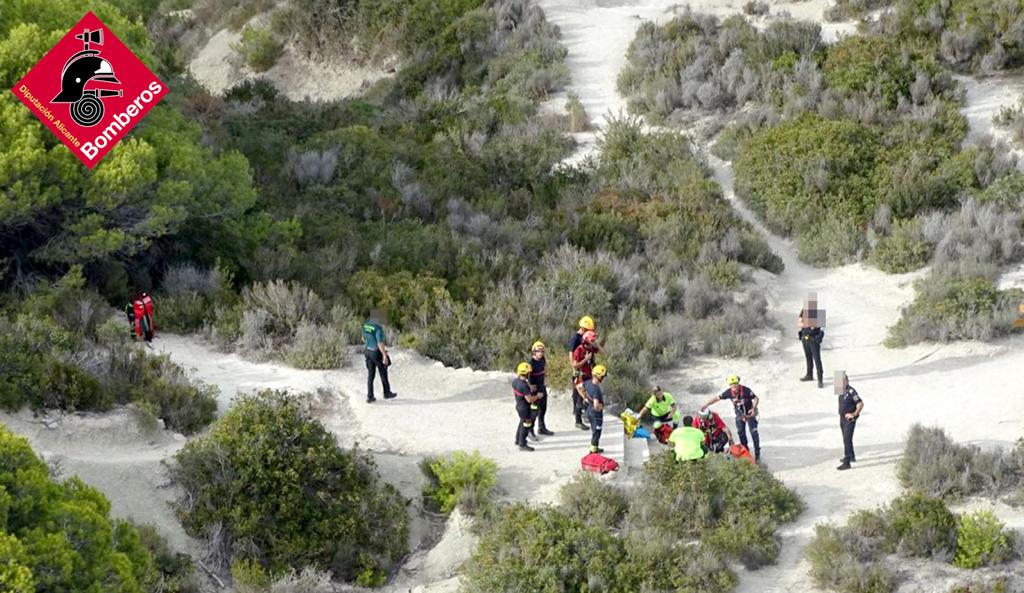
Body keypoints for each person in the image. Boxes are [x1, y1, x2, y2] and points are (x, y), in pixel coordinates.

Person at [701, 375, 761, 463]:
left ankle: (757, 454)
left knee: (754, 433)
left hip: (750, 415)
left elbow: (756, 398)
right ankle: (746, 451)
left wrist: (754, 408)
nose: (734, 387)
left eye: (736, 385)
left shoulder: (746, 390)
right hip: (740, 415)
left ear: (738, 383)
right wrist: (706, 404)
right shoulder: (728, 393)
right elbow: (717, 398)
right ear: (730, 386)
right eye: (732, 385)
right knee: (741, 433)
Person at [567, 316, 597, 430]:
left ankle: (580, 412)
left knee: (582, 393)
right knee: (578, 393)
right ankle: (577, 413)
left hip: (586, 369)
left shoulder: (586, 339)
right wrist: (574, 368)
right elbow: (571, 353)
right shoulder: (576, 338)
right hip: (579, 370)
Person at [362, 309, 397, 403]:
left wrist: (369, 343)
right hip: (376, 352)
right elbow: (380, 343)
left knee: (370, 375)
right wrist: (384, 355)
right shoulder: (378, 328)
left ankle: (370, 397)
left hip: (367, 351)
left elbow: (363, 338)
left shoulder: (366, 324)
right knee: (383, 372)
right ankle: (387, 393)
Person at [571, 328, 600, 429]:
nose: (593, 342)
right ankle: (578, 421)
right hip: (581, 377)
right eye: (591, 340)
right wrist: (586, 359)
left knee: (589, 397)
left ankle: (588, 416)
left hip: (589, 376)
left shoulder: (590, 348)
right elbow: (575, 365)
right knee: (580, 399)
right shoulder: (579, 350)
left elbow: (599, 350)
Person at [837, 372, 863, 471]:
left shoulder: (851, 391)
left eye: (843, 381)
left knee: (847, 439)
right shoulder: (840, 390)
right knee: (845, 438)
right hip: (842, 418)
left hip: (849, 419)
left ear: (847, 381)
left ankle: (847, 462)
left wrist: (854, 414)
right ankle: (851, 456)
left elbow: (860, 403)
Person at [527, 341, 554, 438]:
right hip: (534, 391)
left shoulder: (543, 360)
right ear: (534, 352)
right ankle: (530, 431)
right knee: (534, 411)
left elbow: (544, 370)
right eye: (538, 351)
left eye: (542, 351)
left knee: (543, 409)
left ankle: (541, 428)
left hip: (542, 387)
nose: (541, 353)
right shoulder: (530, 363)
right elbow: (525, 377)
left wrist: (546, 377)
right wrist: (530, 386)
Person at [580, 364, 607, 454]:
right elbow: (596, 405)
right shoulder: (596, 390)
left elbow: (579, 387)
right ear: (599, 377)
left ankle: (595, 448)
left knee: (594, 430)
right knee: (597, 432)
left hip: (589, 411)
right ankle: (593, 451)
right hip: (596, 415)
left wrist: (585, 397)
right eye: (602, 377)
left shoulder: (588, 382)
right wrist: (601, 407)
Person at [513, 362, 539, 452]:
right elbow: (529, 399)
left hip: (519, 406)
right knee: (526, 424)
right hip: (525, 408)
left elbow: (522, 389)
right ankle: (522, 444)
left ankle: (517, 439)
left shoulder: (515, 381)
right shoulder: (523, 385)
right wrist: (538, 396)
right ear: (527, 374)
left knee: (522, 422)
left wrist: (530, 387)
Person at [798, 307, 824, 388]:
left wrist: (805, 323)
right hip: (805, 338)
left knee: (817, 359)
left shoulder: (819, 312)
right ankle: (809, 375)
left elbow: (818, 325)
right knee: (808, 357)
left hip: (814, 339)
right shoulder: (803, 311)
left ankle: (820, 379)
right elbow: (799, 323)